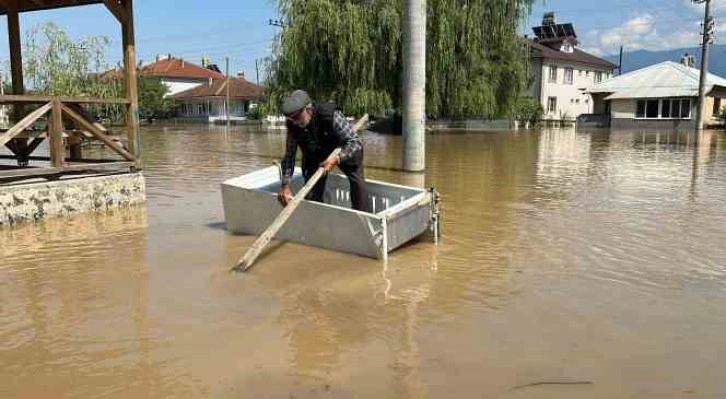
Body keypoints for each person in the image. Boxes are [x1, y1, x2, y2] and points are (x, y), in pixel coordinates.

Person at [278, 89, 371, 212]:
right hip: (315, 153)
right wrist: (285, 185)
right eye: (291, 119)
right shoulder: (293, 126)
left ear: (308, 109)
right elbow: (289, 156)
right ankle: (319, 220)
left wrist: (337, 159)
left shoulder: (330, 115)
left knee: (358, 184)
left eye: (297, 117)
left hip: (341, 149)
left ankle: (362, 216)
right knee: (311, 194)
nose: (295, 122)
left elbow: (355, 142)